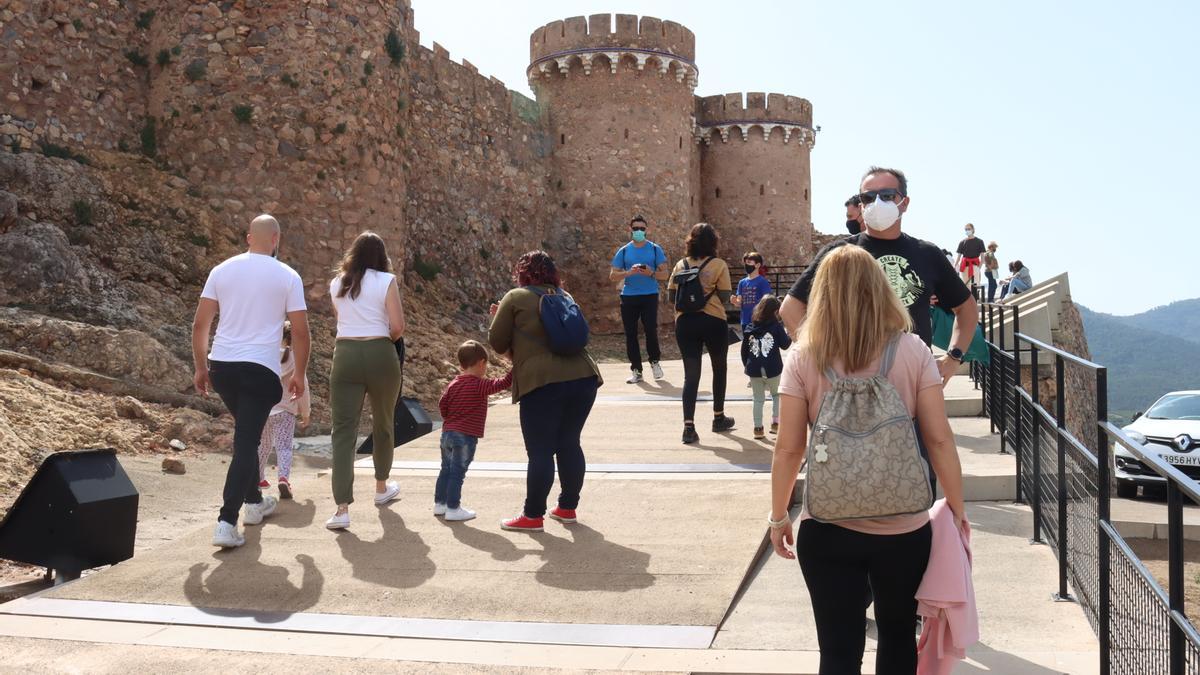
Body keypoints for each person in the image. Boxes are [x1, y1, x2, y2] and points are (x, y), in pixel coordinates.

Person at [768, 244, 966, 674]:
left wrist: (779, 514)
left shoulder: (803, 356)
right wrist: (956, 506)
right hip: (904, 528)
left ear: (822, 294)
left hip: (827, 527)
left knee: (837, 651)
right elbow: (939, 439)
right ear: (880, 290)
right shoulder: (912, 350)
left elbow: (789, 449)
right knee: (897, 637)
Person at [781, 167, 979, 386]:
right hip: (851, 384)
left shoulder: (927, 254)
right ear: (861, 204)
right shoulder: (839, 253)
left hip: (911, 382)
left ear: (904, 203)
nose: (877, 203)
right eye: (868, 197)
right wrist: (821, 359)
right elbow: (790, 308)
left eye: (887, 196)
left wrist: (953, 358)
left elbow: (966, 308)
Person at [192, 214, 310, 549]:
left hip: (223, 367)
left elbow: (201, 325)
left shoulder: (221, 270)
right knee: (246, 443)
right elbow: (300, 332)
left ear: (248, 238)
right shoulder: (287, 275)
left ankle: (255, 503)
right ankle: (227, 521)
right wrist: (299, 373)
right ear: (276, 239)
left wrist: (201, 367)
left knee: (247, 433)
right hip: (260, 370)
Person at [489, 251, 602, 532]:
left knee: (540, 451)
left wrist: (500, 319)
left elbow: (497, 340)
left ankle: (533, 515)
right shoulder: (565, 296)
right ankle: (567, 508)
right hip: (584, 377)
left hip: (542, 381)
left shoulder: (515, 297)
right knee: (569, 442)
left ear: (523, 274)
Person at [325, 232, 407, 531]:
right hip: (379, 352)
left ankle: (342, 508)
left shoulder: (337, 283)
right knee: (383, 423)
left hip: (345, 354)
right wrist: (385, 339)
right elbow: (397, 326)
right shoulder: (386, 281)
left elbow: (341, 320)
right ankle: (381, 488)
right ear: (381, 255)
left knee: (342, 432)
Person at [667, 223, 735, 445]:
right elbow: (725, 295)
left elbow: (671, 295)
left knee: (691, 375)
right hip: (712, 320)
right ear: (713, 242)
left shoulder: (680, 264)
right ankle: (718, 417)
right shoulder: (718, 265)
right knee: (719, 368)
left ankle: (688, 427)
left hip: (685, 322)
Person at [435, 340, 513, 522]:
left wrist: (450, 419)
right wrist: (517, 367)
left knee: (445, 470)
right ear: (481, 363)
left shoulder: (453, 384)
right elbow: (502, 383)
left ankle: (440, 504)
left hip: (447, 434)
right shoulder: (479, 385)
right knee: (457, 473)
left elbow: (442, 405)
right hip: (465, 436)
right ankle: (454, 508)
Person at [610, 215, 669, 384]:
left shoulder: (655, 249)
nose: (639, 231)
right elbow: (613, 275)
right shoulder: (624, 251)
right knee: (631, 334)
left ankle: (655, 362)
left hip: (649, 294)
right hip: (628, 296)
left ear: (646, 230)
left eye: (642, 229)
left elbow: (665, 274)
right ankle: (636, 370)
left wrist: (651, 272)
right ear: (630, 229)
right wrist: (628, 272)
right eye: (635, 228)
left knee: (651, 329)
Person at [256, 321, 310, 500]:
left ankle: (258, 477)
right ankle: (283, 478)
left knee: (263, 446)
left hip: (264, 410)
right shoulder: (295, 360)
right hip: (286, 411)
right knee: (284, 447)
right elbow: (303, 388)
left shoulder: (265, 355)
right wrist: (305, 413)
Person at [741, 295, 791, 440]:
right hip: (773, 368)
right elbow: (785, 344)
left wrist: (748, 366)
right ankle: (775, 424)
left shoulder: (750, 327)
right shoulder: (776, 327)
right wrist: (788, 331)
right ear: (775, 311)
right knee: (776, 396)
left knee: (758, 399)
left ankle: (758, 428)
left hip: (754, 369)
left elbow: (744, 351)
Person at [733, 252, 772, 329]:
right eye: (745, 263)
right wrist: (735, 301)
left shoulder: (763, 282)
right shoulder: (742, 282)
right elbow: (739, 303)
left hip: (758, 320)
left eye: (749, 262)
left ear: (757, 265)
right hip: (745, 320)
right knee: (746, 341)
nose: (746, 265)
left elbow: (767, 301)